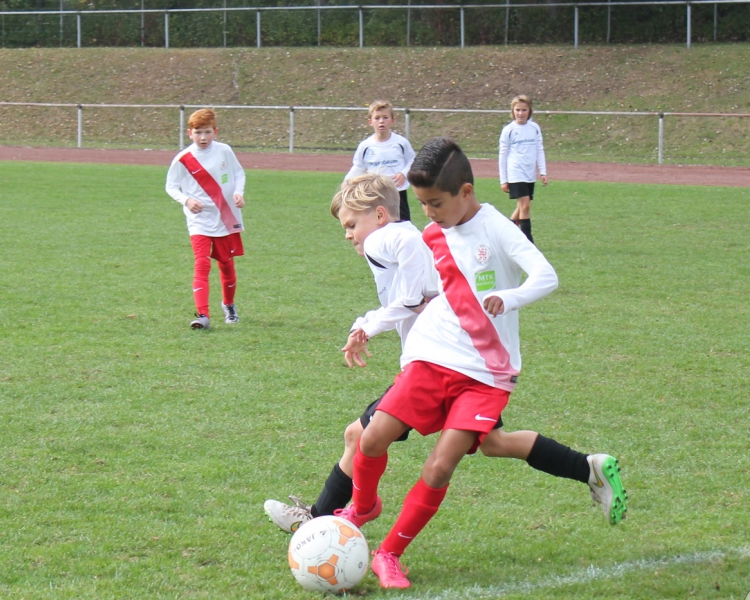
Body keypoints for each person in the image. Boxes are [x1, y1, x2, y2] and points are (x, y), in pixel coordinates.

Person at [263, 173, 625, 547]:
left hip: (442, 364)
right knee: (494, 442)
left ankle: (318, 521)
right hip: (456, 362)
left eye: (352, 224)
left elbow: (412, 292)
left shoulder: (393, 239)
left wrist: (367, 325)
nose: (348, 234)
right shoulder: (403, 243)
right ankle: (588, 467)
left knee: (360, 436)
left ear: (381, 216)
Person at [334, 138, 626, 590]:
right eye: (422, 203)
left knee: (441, 466)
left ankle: (388, 554)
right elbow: (424, 295)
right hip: (433, 357)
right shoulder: (432, 234)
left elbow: (546, 276)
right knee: (372, 438)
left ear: (466, 192)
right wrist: (370, 325)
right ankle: (364, 506)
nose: (428, 213)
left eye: (435, 203)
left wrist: (508, 298)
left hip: (485, 372)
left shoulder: (496, 229)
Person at [165, 108, 245, 330]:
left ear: (215, 132)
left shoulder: (224, 151)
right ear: (189, 133)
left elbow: (238, 174)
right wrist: (186, 200)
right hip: (199, 220)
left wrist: (238, 192)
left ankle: (229, 305)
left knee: (226, 264)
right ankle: (203, 315)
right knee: (201, 263)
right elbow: (171, 186)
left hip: (225, 216)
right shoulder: (183, 159)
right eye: (198, 132)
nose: (203, 137)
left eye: (207, 132)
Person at [344, 100, 416, 223]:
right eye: (377, 118)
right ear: (370, 122)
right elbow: (358, 166)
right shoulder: (365, 146)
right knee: (378, 225)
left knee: (402, 225)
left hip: (397, 193)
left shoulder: (401, 143)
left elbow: (412, 160)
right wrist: (347, 183)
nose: (381, 121)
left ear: (392, 120)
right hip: (375, 193)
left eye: (385, 117)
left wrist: (403, 174)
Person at [498, 94, 547, 245]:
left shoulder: (534, 128)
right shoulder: (508, 130)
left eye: (524, 110)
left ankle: (503, 235)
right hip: (515, 172)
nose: (520, 113)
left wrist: (543, 172)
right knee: (525, 206)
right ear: (513, 111)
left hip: (529, 174)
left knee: (521, 207)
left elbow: (539, 150)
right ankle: (528, 241)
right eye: (517, 110)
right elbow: (503, 155)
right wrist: (503, 179)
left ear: (529, 111)